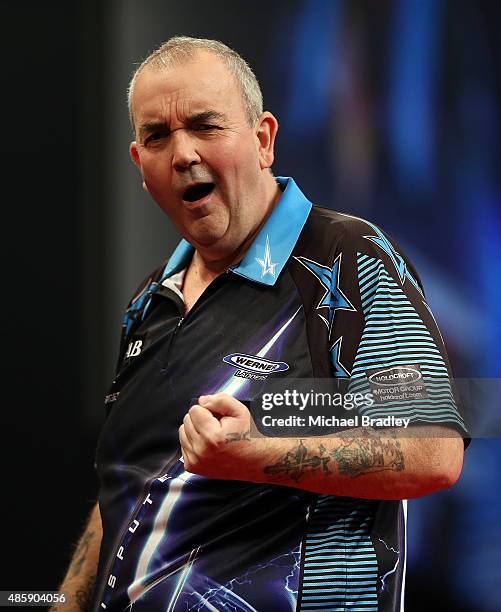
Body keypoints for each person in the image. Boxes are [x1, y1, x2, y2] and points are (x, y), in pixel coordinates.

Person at [54, 36, 467, 612]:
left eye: (205, 125)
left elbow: (432, 452)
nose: (182, 154)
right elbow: (130, 483)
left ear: (263, 139)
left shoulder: (350, 258)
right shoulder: (148, 302)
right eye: (157, 136)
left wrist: (256, 453)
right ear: (139, 165)